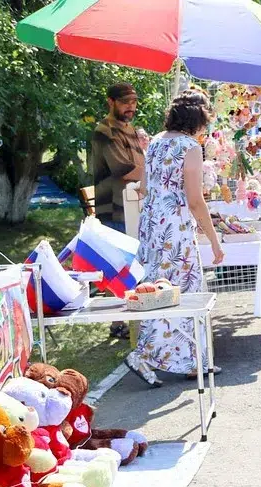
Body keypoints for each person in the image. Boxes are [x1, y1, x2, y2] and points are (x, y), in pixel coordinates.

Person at [124, 91, 225, 387]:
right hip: (176, 229)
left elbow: (144, 187)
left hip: (152, 226)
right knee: (181, 292)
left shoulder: (156, 142)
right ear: (197, 120)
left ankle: (188, 360)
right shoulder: (190, 147)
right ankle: (146, 355)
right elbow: (195, 200)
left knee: (157, 289)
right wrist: (214, 240)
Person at [89, 82, 147, 340]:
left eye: (133, 102)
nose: (130, 107)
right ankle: (119, 323)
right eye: (125, 102)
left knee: (133, 263)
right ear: (110, 102)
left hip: (132, 205)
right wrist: (155, 174)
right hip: (113, 207)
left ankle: (133, 318)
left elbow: (139, 163)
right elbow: (123, 170)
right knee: (120, 265)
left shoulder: (129, 128)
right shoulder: (104, 130)